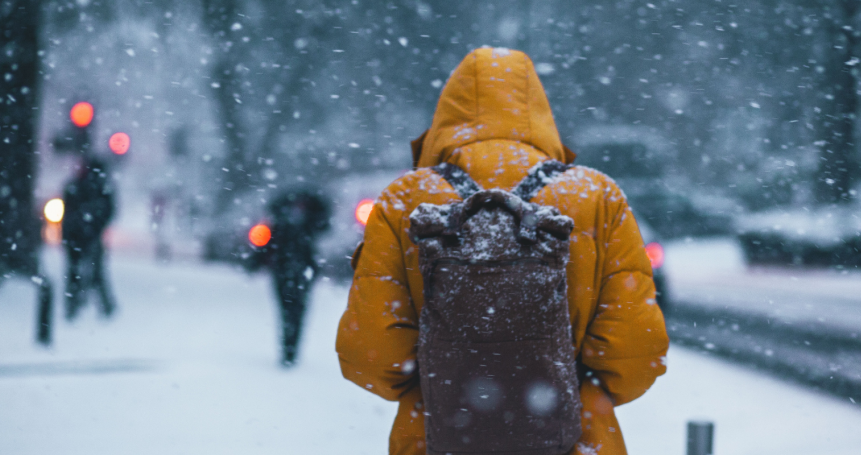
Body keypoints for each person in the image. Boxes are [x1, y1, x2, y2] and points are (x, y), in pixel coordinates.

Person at [337, 48, 670, 455]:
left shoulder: (406, 200)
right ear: (539, 112)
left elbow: (369, 357)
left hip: (434, 439)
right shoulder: (595, 196)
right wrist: (566, 389)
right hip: (574, 441)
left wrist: (446, 385)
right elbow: (636, 352)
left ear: (446, 116)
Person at [249, 189, 330, 367]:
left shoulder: (300, 222)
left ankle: (290, 350)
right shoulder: (294, 223)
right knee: (291, 311)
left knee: (293, 311)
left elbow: (265, 243)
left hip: (293, 271)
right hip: (291, 271)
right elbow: (266, 243)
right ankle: (289, 349)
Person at [62, 157, 116, 320]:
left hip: (79, 235)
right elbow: (108, 211)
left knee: (78, 272)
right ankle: (102, 306)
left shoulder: (77, 185)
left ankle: (74, 306)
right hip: (85, 235)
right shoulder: (100, 187)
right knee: (93, 272)